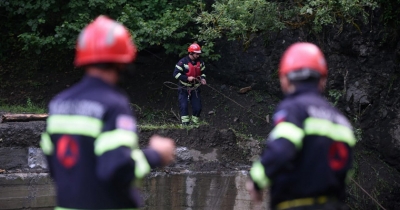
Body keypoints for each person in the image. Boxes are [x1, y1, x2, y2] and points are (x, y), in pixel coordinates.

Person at [40, 15, 175, 209]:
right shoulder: (112, 105)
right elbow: (118, 169)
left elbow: (56, 167)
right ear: (122, 61)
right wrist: (156, 155)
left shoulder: (59, 104)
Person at [246, 42, 356, 210]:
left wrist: (256, 180)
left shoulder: (294, 109)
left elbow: (282, 150)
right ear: (322, 80)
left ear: (285, 79)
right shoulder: (341, 120)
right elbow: (346, 171)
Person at [172, 43, 206, 126]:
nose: (198, 55)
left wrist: (203, 79)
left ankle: (194, 124)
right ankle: (185, 125)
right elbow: (175, 74)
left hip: (195, 88)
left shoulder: (200, 62)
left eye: (199, 53)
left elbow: (203, 73)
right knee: (183, 106)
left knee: (198, 107)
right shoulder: (182, 62)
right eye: (196, 53)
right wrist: (187, 78)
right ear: (191, 53)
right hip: (183, 87)